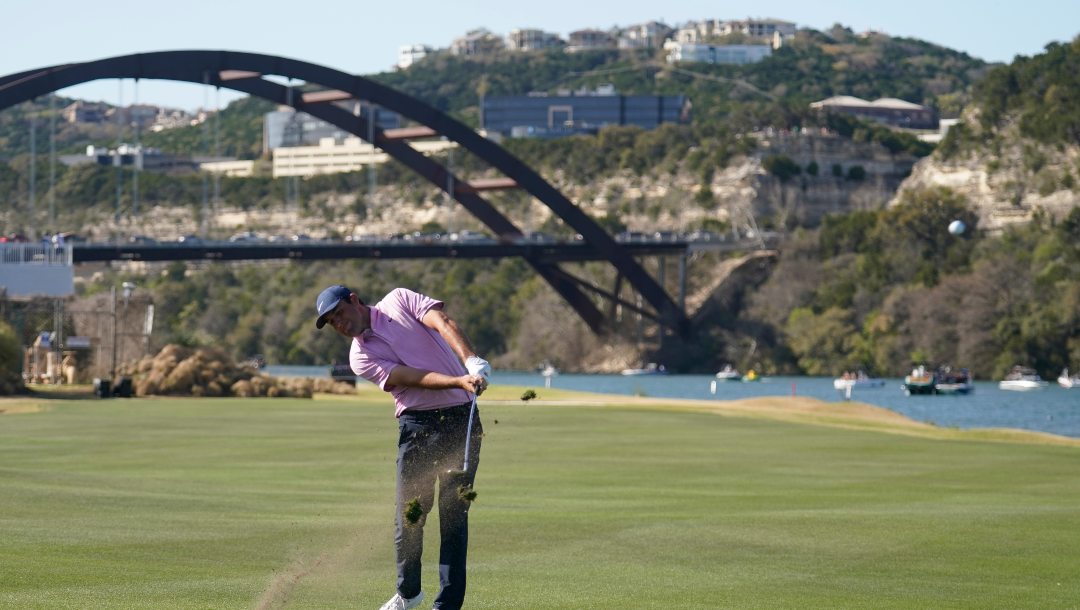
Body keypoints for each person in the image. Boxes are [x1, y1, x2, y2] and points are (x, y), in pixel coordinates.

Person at [314, 284, 491, 610]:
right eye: (331, 322)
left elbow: (443, 322)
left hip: (460, 420)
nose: (339, 324)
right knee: (409, 515)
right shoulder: (359, 357)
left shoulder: (399, 300)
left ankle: (446, 605)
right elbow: (408, 376)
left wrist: (471, 360)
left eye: (338, 314)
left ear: (354, 301)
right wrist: (457, 380)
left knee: (453, 516)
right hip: (417, 426)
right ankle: (409, 593)